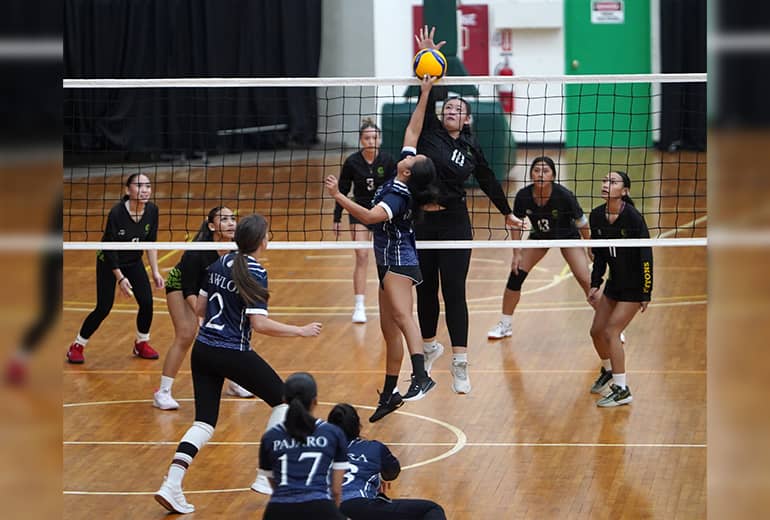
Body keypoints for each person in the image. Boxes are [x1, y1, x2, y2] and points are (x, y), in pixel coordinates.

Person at [154, 213, 323, 514]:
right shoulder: (255, 272)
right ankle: (263, 473)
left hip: (203, 349)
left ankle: (172, 483)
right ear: (261, 241)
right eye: (267, 235)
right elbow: (259, 324)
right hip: (232, 351)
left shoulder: (219, 263)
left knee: (204, 423)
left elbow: (202, 308)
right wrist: (299, 330)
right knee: (285, 401)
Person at [412, 26, 525, 394]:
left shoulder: (472, 150)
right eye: (449, 107)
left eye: (459, 110)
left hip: (455, 223)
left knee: (454, 291)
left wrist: (507, 212)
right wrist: (432, 65)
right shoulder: (430, 133)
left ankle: (460, 362)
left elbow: (491, 181)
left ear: (467, 120)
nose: (452, 110)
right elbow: (430, 96)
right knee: (425, 290)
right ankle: (430, 348)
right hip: (423, 222)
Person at [325, 74, 439, 422]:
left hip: (398, 262)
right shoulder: (402, 172)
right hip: (385, 261)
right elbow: (412, 131)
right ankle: (390, 393)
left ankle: (421, 376)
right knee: (389, 329)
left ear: (409, 171)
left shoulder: (397, 193)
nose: (412, 154)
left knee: (404, 317)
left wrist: (338, 197)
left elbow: (371, 217)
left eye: (414, 159)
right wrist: (425, 92)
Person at [153, 206, 254, 410]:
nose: (231, 223)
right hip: (181, 285)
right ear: (211, 226)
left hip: (209, 289)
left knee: (230, 331)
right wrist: (201, 315)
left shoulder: (236, 248)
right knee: (186, 333)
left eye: (233, 218)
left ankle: (234, 382)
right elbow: (190, 288)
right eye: (224, 219)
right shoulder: (197, 251)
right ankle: (162, 392)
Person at [487, 156, 594, 339]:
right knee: (516, 275)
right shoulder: (523, 196)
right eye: (536, 170)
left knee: (587, 281)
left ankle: (609, 325)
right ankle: (505, 325)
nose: (540, 174)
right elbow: (516, 224)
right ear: (531, 175)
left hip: (567, 238)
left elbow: (582, 222)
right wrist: (516, 253)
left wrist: (590, 246)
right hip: (540, 238)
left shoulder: (564, 195)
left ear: (553, 175)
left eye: (545, 171)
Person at [65, 173, 164, 364]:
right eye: (139, 186)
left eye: (148, 186)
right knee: (104, 307)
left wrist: (155, 271)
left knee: (147, 302)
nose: (144, 190)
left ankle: (141, 343)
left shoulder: (152, 210)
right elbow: (109, 250)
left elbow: (151, 242)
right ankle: (77, 345)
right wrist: (120, 278)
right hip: (109, 261)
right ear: (128, 190)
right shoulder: (117, 213)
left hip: (133, 261)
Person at [587, 171, 653, 407]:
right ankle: (608, 370)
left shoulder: (634, 218)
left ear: (624, 191)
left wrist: (646, 292)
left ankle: (623, 389)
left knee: (611, 332)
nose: (606, 184)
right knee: (596, 331)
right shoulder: (596, 216)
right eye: (604, 180)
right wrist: (596, 283)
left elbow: (646, 256)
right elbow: (600, 255)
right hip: (614, 285)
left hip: (634, 288)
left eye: (612, 182)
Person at [327, 403, 447, 520]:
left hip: (323, 508)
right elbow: (392, 472)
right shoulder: (373, 447)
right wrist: (381, 477)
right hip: (360, 505)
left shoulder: (317, 452)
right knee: (431, 509)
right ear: (358, 425)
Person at [259, 372, 349, 520]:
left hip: (278, 510)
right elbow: (336, 490)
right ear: (315, 401)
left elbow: (274, 483)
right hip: (319, 507)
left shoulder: (270, 437)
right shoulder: (333, 433)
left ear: (284, 400)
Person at [333, 119, 396, 324]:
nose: (371, 141)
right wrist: (336, 217)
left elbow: (395, 190)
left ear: (380, 139)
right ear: (361, 140)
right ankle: (359, 305)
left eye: (375, 137)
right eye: (367, 137)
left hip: (382, 211)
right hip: (359, 211)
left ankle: (390, 302)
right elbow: (341, 191)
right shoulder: (352, 162)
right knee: (361, 255)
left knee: (384, 257)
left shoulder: (388, 161)